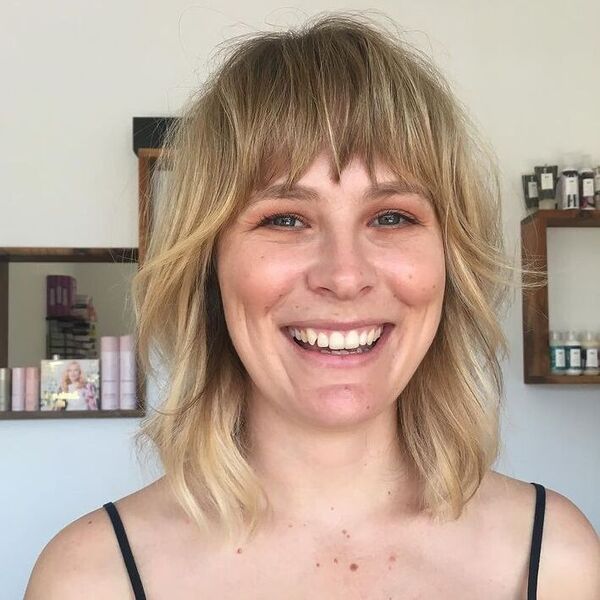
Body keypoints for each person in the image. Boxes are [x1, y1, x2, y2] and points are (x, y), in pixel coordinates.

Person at [25, 11, 599, 599]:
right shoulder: (91, 579)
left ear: (451, 263)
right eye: (285, 219)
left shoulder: (558, 561)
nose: (344, 276)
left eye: (392, 216)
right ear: (208, 266)